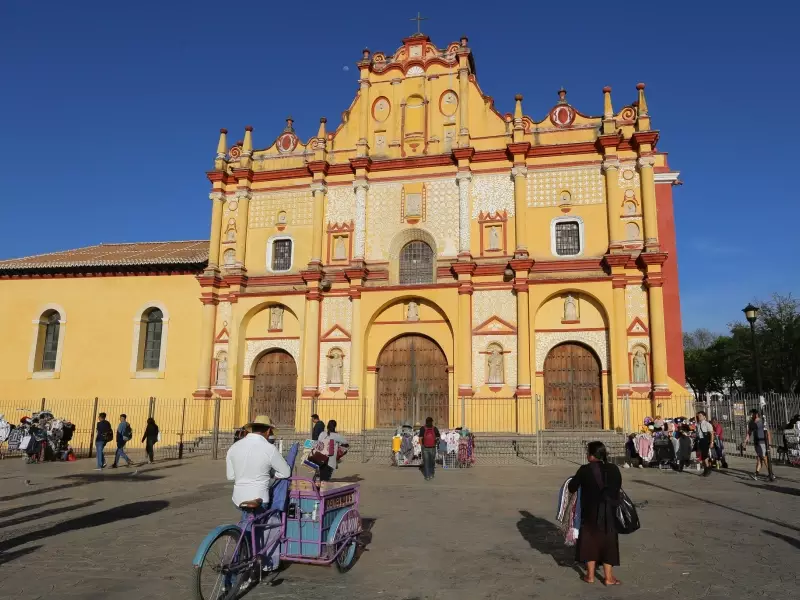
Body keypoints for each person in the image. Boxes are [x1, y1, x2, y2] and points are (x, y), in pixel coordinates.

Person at [226, 415, 291, 573]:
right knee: (267, 525)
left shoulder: (234, 447)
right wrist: (272, 475)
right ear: (268, 430)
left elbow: (231, 476)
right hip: (259, 497)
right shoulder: (269, 449)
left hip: (238, 497)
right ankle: (261, 562)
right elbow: (286, 472)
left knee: (247, 524)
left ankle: (246, 556)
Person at [567, 441, 622, 586]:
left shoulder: (584, 470)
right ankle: (609, 578)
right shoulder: (614, 469)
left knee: (589, 541)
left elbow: (572, 487)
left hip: (590, 511)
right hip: (609, 511)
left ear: (591, 455)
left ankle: (590, 575)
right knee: (608, 542)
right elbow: (617, 487)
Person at [745, 409, 773, 481]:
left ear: (756, 414)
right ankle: (756, 474)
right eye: (750, 414)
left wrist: (769, 443)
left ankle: (771, 473)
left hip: (763, 442)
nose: (751, 415)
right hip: (756, 442)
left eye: (752, 414)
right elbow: (749, 432)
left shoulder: (762, 422)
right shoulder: (751, 422)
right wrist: (746, 439)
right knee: (759, 458)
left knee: (764, 457)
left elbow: (768, 433)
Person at [695, 411, 714, 477]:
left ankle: (707, 469)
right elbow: (697, 433)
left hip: (705, 441)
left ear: (704, 417)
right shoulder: (697, 424)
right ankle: (706, 470)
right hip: (700, 441)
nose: (699, 417)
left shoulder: (707, 424)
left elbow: (711, 434)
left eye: (700, 415)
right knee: (701, 457)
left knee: (704, 456)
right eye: (698, 415)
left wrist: (711, 442)